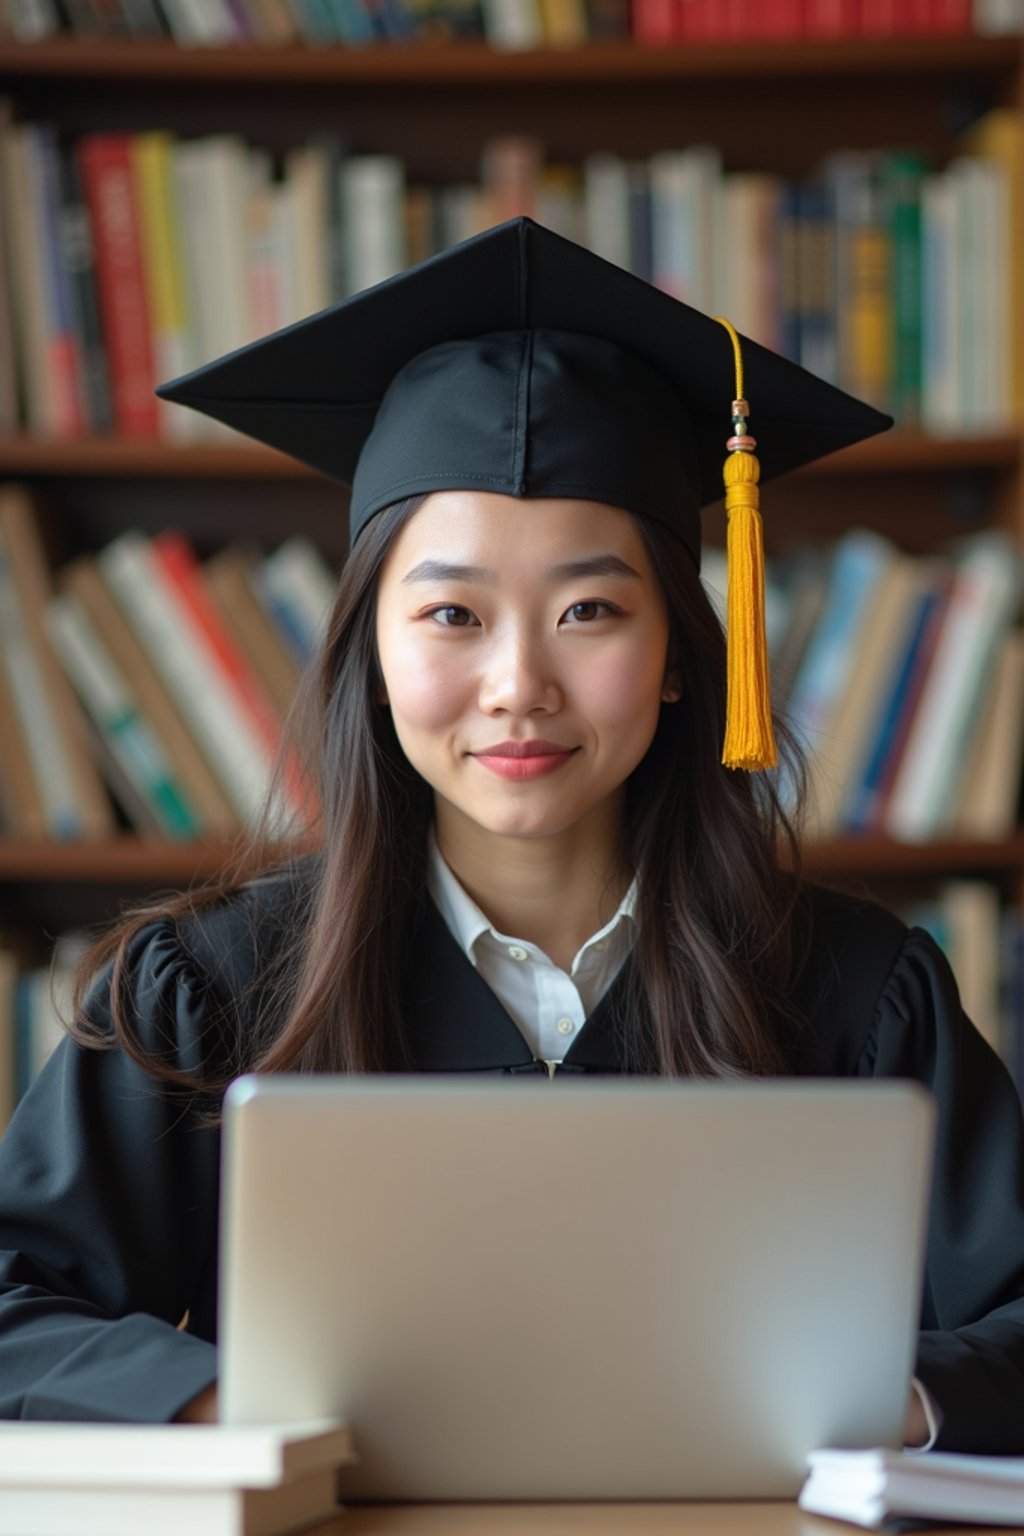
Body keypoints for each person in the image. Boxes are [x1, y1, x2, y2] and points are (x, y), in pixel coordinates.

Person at [0, 217, 1022, 1451]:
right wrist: (245, 1410)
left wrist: (866, 1403)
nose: (517, 683)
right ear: (371, 658)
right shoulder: (208, 994)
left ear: (684, 662)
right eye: (452, 614)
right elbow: (17, 1307)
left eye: (589, 608)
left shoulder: (860, 996)